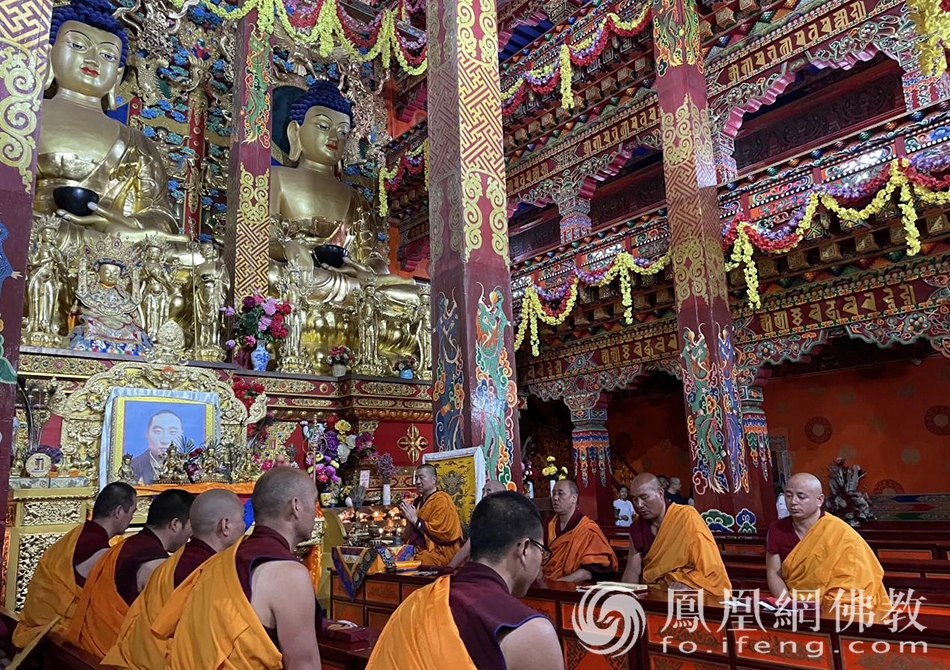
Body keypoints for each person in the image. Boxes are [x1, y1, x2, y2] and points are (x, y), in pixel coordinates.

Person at [367, 491, 564, 670]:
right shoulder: (530, 631)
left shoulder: (415, 604)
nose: (540, 561)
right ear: (524, 549)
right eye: (542, 550)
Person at [159, 468, 322, 670]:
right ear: (295, 506)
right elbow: (304, 664)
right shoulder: (288, 574)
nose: (316, 512)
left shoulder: (219, 561)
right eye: (314, 502)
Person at [102, 490, 246, 670]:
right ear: (225, 525)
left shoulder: (171, 564)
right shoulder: (207, 570)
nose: (245, 525)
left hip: (140, 660)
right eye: (242, 517)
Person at [66, 489, 195, 657]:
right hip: (114, 654)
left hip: (91, 647)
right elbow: (164, 626)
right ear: (175, 524)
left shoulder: (125, 545)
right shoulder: (155, 565)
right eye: (191, 526)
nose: (191, 535)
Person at [13, 483, 136, 649]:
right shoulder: (98, 550)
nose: (132, 518)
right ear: (119, 511)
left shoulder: (75, 537)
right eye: (132, 512)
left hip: (38, 621)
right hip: (56, 632)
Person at [766, 473, 889, 614]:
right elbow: (773, 572)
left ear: (819, 500)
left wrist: (826, 609)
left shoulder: (839, 531)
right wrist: (789, 606)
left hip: (835, 607)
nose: (793, 502)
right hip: (794, 604)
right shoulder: (778, 529)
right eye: (788, 495)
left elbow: (854, 578)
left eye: (801, 496)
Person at [621, 474, 731, 598]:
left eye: (644, 497)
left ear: (660, 493)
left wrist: (689, 584)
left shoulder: (686, 517)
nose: (639, 504)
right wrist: (626, 598)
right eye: (635, 499)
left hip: (687, 592)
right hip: (654, 593)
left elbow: (710, 568)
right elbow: (632, 570)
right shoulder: (637, 528)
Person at [542, 480, 617, 582]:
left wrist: (559, 583)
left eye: (560, 493)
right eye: (553, 493)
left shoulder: (587, 529)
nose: (555, 498)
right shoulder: (547, 524)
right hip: (545, 583)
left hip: (575, 587)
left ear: (574, 498)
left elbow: (588, 572)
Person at [400, 464, 464, 566]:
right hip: (421, 548)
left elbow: (443, 534)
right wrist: (408, 518)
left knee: (417, 561)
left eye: (421, 478)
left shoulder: (442, 500)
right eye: (416, 478)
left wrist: (416, 521)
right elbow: (409, 534)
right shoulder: (417, 502)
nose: (417, 482)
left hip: (441, 551)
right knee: (397, 556)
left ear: (433, 480)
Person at [447, 480, 507, 570]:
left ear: (500, 496)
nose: (483, 496)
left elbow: (468, 548)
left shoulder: (500, 517)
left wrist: (449, 568)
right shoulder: (484, 514)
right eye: (483, 491)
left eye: (488, 491)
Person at [131, 409, 183, 485]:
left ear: (181, 436)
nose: (165, 440)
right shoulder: (134, 466)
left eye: (172, 432)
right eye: (158, 431)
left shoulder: (189, 466)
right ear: (147, 434)